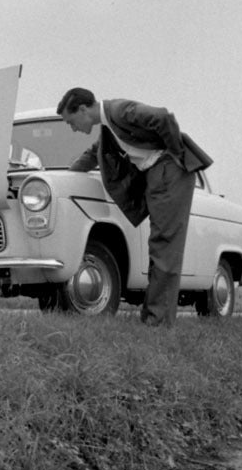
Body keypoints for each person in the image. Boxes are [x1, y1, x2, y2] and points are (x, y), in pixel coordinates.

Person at [56, 87, 213, 327]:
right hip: (158, 176)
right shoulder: (108, 128)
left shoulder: (119, 111)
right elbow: (92, 154)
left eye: (71, 122)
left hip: (168, 172)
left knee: (165, 246)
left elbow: (163, 117)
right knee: (160, 245)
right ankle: (155, 316)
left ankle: (158, 321)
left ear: (83, 109)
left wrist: (175, 155)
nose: (73, 128)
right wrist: (65, 177)